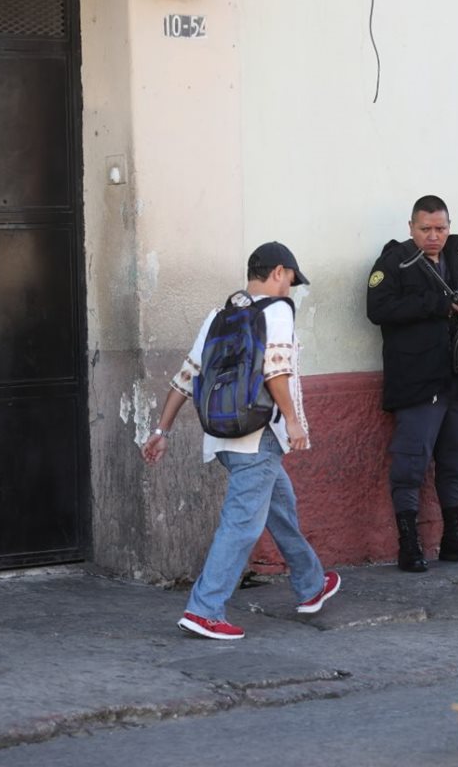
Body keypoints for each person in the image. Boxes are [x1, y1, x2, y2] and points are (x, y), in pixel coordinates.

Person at [141, 242, 340, 640]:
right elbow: (276, 370)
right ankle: (204, 609)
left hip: (222, 438)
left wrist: (161, 431)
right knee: (242, 524)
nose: (290, 290)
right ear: (279, 272)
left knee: (279, 506)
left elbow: (187, 376)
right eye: (290, 281)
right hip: (259, 435)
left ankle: (310, 583)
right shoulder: (277, 310)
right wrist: (296, 423)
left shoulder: (221, 314)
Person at [366, 195, 458, 572]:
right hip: (417, 380)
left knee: (456, 461)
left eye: (440, 228)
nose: (434, 236)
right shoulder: (394, 262)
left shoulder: (455, 260)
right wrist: (435, 304)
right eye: (425, 229)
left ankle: (455, 540)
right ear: (411, 227)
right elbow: (377, 310)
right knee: (410, 463)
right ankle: (409, 545)